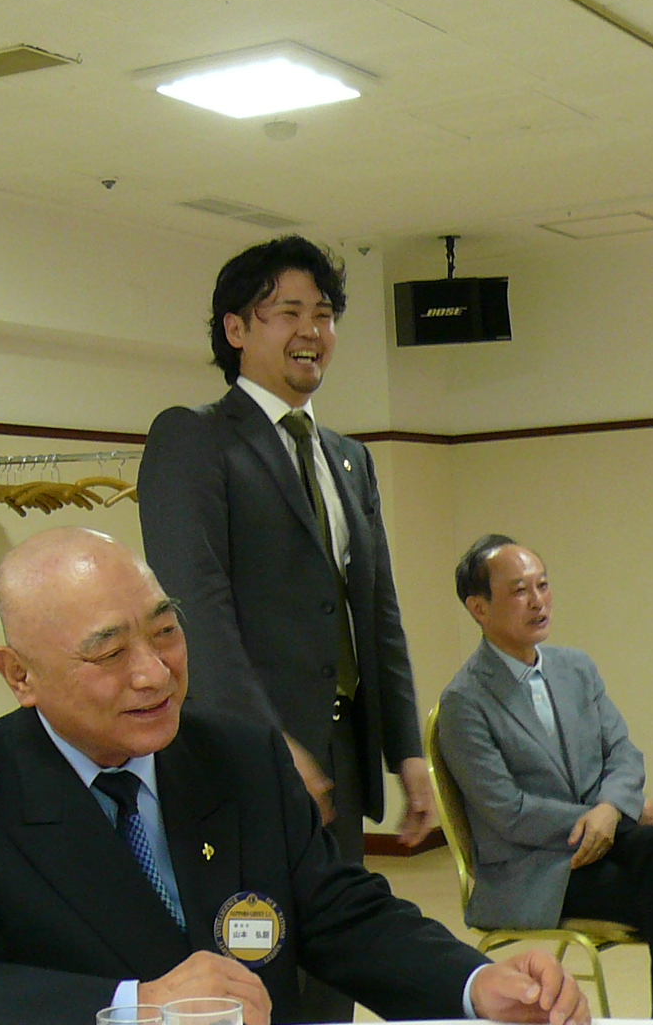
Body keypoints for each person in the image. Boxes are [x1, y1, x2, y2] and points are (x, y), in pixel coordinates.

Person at [0, 528, 588, 1025]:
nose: (155, 674)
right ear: (20, 675)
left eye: (165, 631)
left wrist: (473, 982)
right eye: (109, 654)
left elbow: (341, 913)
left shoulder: (241, 758)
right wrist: (131, 1005)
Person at [137, 236, 432, 865]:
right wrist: (270, 743)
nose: (312, 331)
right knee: (256, 921)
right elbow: (197, 612)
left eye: (324, 314)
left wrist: (407, 749)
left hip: (341, 753)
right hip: (244, 752)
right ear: (237, 329)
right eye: (289, 313)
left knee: (340, 917)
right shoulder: (196, 438)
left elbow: (378, 612)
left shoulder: (350, 459)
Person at [436, 535, 653, 1019]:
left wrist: (611, 810)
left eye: (542, 585)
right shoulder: (464, 701)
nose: (538, 601)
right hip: (533, 868)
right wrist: (600, 817)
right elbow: (508, 812)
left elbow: (624, 753)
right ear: (479, 608)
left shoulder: (576, 667)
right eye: (520, 591)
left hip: (601, 837)